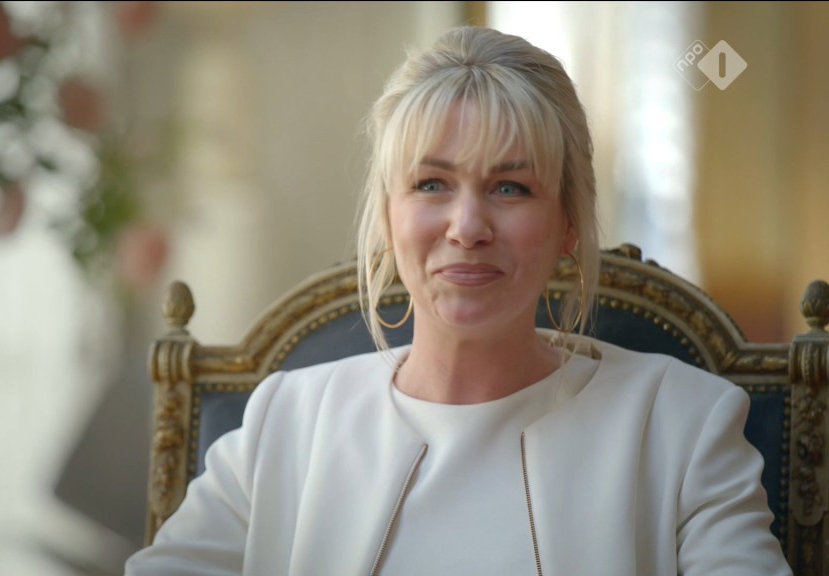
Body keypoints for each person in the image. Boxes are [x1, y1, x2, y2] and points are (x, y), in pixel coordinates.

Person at [125, 26, 792, 576]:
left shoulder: (685, 424)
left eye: (510, 188)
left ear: (568, 224)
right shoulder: (285, 423)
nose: (468, 227)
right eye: (432, 184)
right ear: (388, 218)